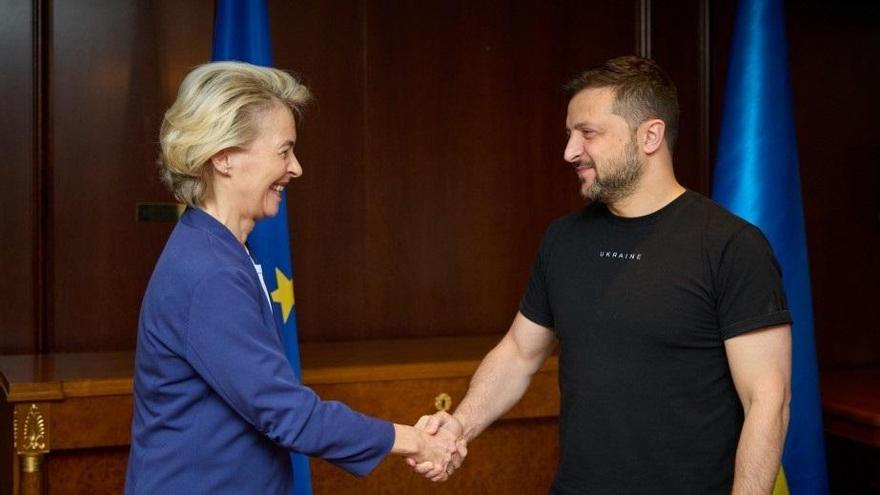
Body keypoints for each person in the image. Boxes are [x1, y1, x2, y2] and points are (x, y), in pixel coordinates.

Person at [412, 56, 792, 494]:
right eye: (570, 134)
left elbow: (768, 400)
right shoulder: (563, 239)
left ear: (650, 135)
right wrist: (459, 425)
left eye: (588, 133)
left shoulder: (731, 245)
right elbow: (518, 353)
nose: (570, 151)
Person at [125, 61, 456, 494]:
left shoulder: (215, 249)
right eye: (284, 151)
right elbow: (287, 414)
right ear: (223, 157)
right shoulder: (209, 273)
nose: (296, 168)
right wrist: (415, 441)